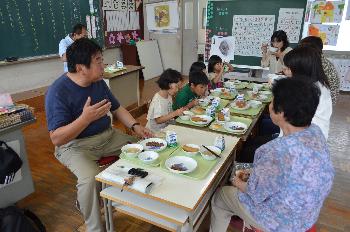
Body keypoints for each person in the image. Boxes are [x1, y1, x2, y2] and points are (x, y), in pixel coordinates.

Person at [46, 38, 152, 232]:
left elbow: (118, 108)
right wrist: (85, 119)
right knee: (90, 178)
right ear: (81, 67)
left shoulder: (98, 83)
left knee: (143, 150)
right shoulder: (57, 91)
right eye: (98, 61)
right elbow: (57, 138)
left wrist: (136, 126)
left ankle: (128, 199)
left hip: (108, 136)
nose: (104, 65)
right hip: (74, 146)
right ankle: (94, 226)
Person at [210, 78, 334, 232]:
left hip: (280, 222)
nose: (270, 105)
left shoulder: (274, 150)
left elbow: (255, 192)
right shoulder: (316, 132)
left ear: (281, 112)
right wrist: (255, 172)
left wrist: (236, 182)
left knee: (220, 197)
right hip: (308, 215)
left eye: (272, 101)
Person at [283, 45, 332, 139]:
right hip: (304, 137)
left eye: (289, 68)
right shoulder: (316, 84)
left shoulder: (311, 91)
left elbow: (286, 117)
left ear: (301, 69)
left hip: (304, 141)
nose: (286, 71)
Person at [299, 36, 340, 104]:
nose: (300, 50)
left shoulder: (319, 63)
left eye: (302, 48)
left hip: (325, 101)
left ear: (311, 49)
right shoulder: (318, 59)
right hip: (322, 97)